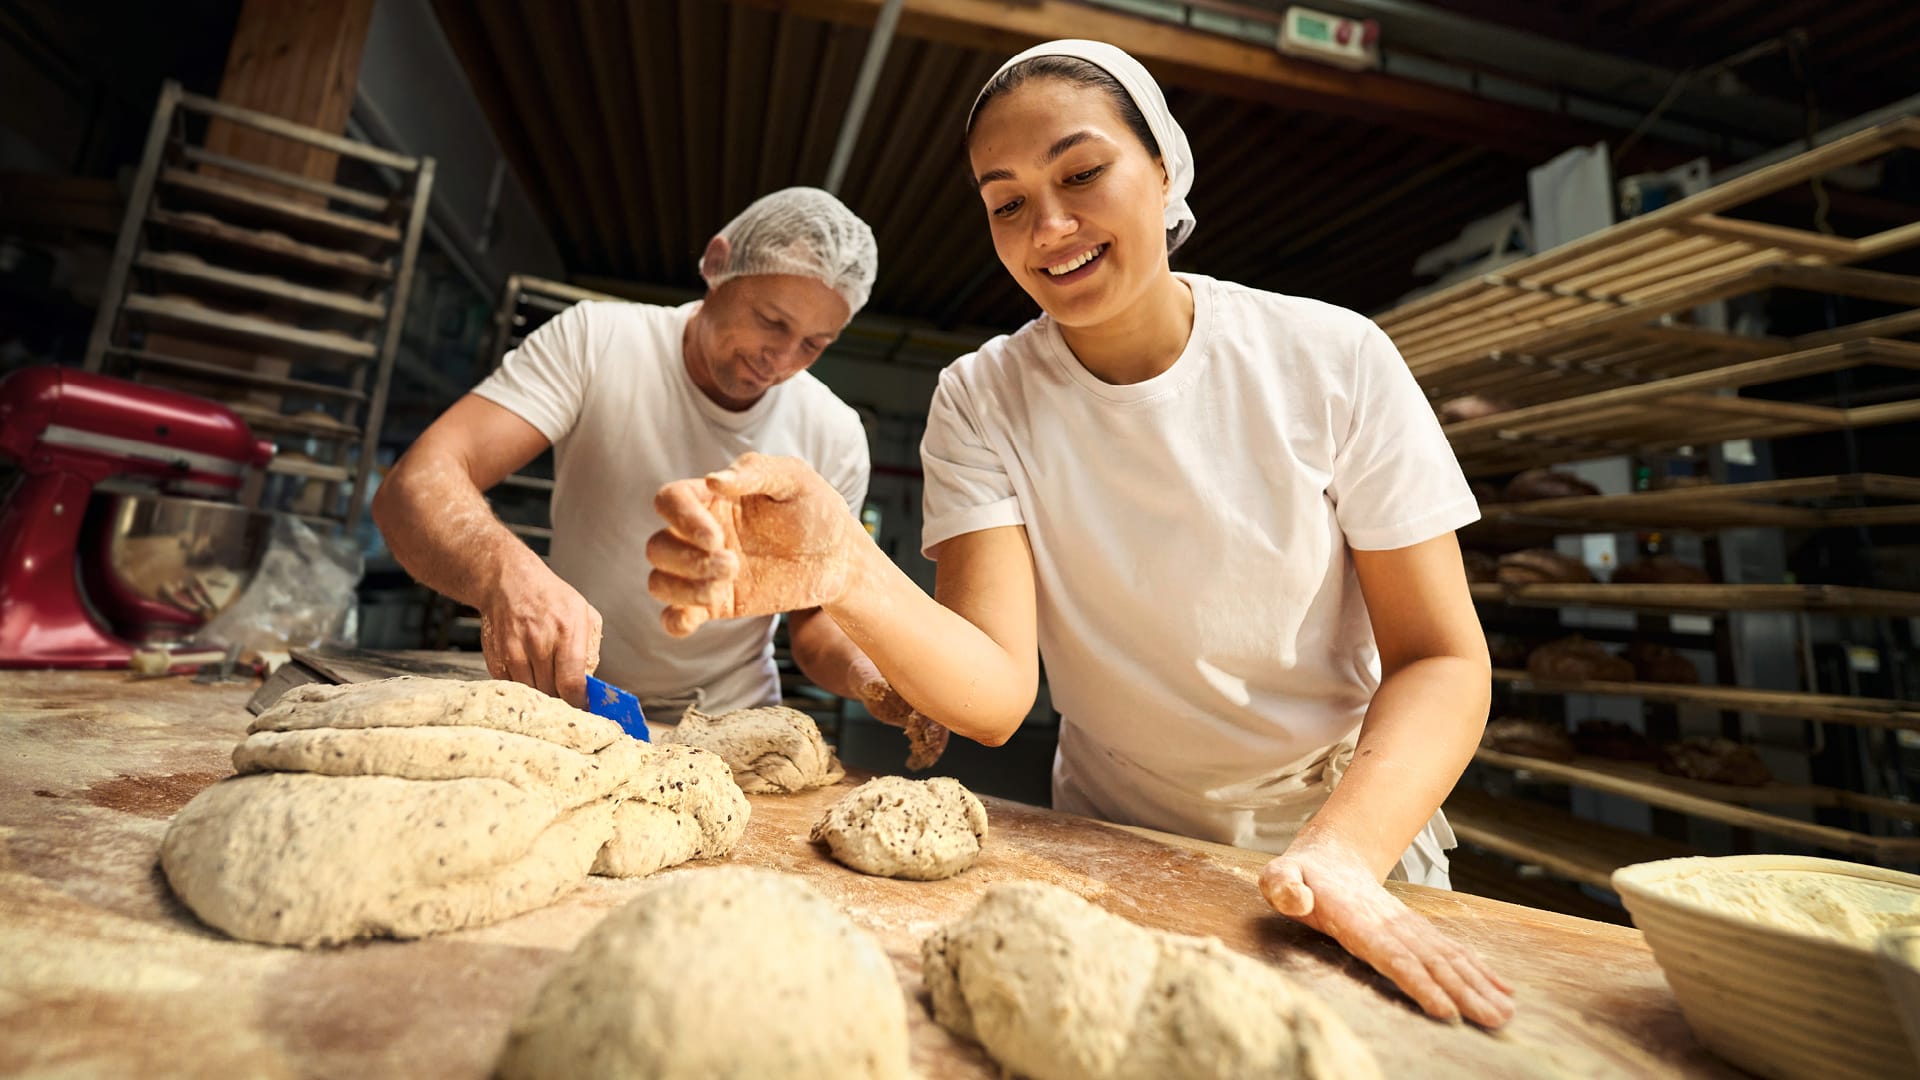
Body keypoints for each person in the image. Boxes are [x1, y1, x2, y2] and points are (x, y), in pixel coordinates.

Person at [643, 44, 1511, 1026]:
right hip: (1116, 845)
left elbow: (1441, 657)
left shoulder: (1330, 359)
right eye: (1006, 202)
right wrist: (841, 566)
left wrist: (1344, 852)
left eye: (1082, 173)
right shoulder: (984, 398)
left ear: (1166, 168)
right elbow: (996, 693)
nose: (1049, 227)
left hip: (1350, 837)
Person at [375, 188, 930, 751]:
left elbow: (816, 622)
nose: (781, 359)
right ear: (717, 264)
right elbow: (416, 482)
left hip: (730, 728)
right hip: (573, 700)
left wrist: (877, 677)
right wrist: (506, 575)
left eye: (813, 344)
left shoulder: (833, 434)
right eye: (770, 320)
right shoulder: (598, 342)